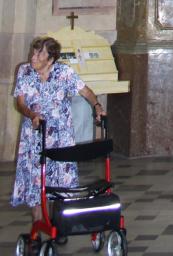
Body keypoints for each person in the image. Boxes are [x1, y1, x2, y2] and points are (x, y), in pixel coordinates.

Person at [12, 37, 104, 225]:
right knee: (36, 183)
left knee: (60, 182)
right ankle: (38, 226)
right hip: (34, 136)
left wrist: (97, 106)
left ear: (51, 59)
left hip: (61, 138)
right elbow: (20, 102)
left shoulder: (64, 72)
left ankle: (59, 225)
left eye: (39, 54)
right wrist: (32, 114)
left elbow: (85, 91)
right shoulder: (24, 71)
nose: (33, 57)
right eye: (34, 52)